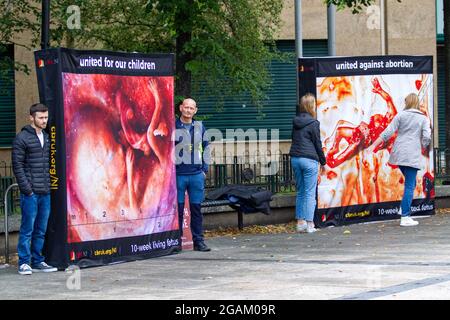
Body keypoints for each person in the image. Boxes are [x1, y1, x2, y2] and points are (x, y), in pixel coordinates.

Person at [368, 93, 432, 227]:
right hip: (412, 155)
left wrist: (373, 145)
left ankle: (403, 208)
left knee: (411, 183)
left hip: (398, 155)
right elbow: (427, 137)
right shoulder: (423, 119)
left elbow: (388, 132)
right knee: (410, 185)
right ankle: (405, 217)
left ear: (407, 102)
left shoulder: (400, 115)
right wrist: (423, 145)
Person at [12, 103, 57, 274]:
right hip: (30, 193)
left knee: (41, 229)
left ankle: (38, 260)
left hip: (45, 192)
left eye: (46, 117)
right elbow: (18, 166)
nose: (44, 120)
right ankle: (24, 262)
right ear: (31, 117)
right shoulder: (22, 138)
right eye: (41, 117)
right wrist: (27, 190)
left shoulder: (46, 137)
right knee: (27, 228)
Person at [325, 77, 397, 168]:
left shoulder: (381, 141)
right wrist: (380, 90)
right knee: (341, 131)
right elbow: (389, 100)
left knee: (345, 134)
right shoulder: (390, 121)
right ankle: (335, 149)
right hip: (371, 121)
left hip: (366, 133)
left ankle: (335, 153)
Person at [175, 98, 211, 251]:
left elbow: (206, 148)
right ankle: (176, 242)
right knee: (178, 210)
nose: (188, 110)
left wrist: (204, 170)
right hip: (178, 175)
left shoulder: (200, 126)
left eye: (191, 108)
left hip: (196, 175)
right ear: (181, 108)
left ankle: (198, 241)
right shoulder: (172, 126)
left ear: (195, 110)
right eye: (186, 107)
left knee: (196, 209)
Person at [289, 94, 327, 233]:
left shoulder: (295, 121)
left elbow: (293, 138)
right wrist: (323, 161)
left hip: (295, 158)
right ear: (312, 106)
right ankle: (310, 224)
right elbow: (317, 143)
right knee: (310, 193)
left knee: (301, 191)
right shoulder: (314, 123)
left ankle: (300, 223)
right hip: (309, 159)